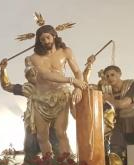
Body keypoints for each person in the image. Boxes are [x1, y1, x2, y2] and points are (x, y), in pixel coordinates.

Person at [27, 24, 88, 155]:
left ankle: (67, 163)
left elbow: (77, 71)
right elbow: (46, 75)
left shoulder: (66, 51)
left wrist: (78, 88)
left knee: (61, 132)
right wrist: (71, 80)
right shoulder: (35, 58)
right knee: (41, 136)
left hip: (61, 94)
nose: (45, 41)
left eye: (48, 38)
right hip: (41, 97)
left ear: (54, 36)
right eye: (42, 39)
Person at [102, 65, 134, 160]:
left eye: (112, 74)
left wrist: (108, 99)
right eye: (107, 76)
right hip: (119, 123)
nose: (110, 78)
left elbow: (123, 104)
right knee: (115, 150)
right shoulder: (107, 91)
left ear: (119, 74)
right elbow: (105, 111)